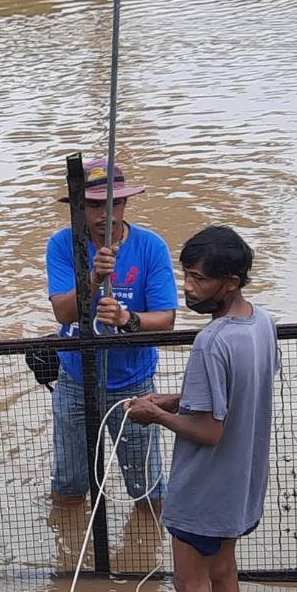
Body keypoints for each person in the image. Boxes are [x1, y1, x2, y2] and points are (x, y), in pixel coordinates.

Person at [127, 226, 278, 592]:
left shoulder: (211, 342)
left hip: (204, 488)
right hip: (242, 481)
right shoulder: (261, 323)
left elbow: (210, 431)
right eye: (186, 277)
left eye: (199, 279)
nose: (188, 289)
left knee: (191, 587)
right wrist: (174, 398)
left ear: (230, 282)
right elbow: (239, 391)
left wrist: (155, 414)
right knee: (223, 570)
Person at [45, 158, 177, 506]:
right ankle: (73, 551)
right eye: (93, 206)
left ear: (124, 203)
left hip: (133, 382)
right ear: (79, 208)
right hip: (76, 379)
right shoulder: (63, 245)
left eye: (112, 204)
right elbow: (63, 311)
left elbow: (165, 321)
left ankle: (146, 549)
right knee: (69, 485)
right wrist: (93, 279)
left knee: (148, 490)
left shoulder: (151, 247)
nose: (105, 215)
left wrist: (126, 318)